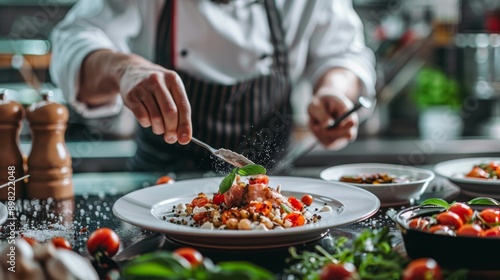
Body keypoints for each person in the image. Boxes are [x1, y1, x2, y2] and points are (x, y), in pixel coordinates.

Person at [50, 0, 376, 173]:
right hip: (156, 191)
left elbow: (343, 52)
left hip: (272, 201)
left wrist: (334, 90)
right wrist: (122, 68)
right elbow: (72, 40)